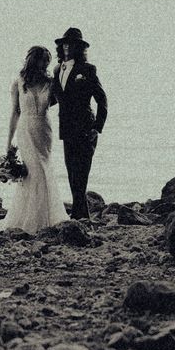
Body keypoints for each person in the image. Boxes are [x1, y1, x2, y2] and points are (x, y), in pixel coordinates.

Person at [0, 46, 62, 233]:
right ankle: (28, 217)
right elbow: (15, 113)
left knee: (43, 170)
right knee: (30, 173)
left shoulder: (51, 83)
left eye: (48, 60)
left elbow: (62, 102)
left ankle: (47, 218)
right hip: (25, 130)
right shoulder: (18, 82)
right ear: (33, 60)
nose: (46, 64)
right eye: (43, 59)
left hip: (44, 129)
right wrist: (8, 142)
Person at [53, 27, 108, 217]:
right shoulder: (57, 69)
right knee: (72, 175)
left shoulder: (87, 69)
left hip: (86, 129)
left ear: (78, 47)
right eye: (65, 43)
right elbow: (54, 98)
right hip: (66, 130)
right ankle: (81, 216)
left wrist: (97, 128)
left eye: (72, 44)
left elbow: (102, 99)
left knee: (81, 176)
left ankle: (80, 217)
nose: (67, 46)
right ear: (62, 46)